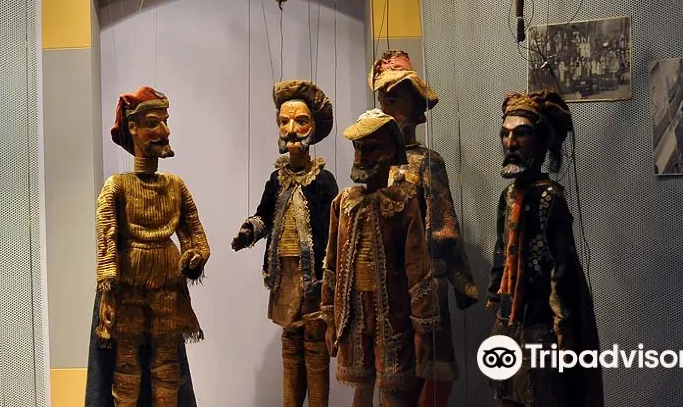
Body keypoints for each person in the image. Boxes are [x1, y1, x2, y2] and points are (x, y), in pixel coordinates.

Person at [87, 86, 210, 407]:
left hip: (168, 285)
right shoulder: (117, 186)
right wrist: (108, 288)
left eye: (165, 122)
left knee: (167, 364)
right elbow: (106, 238)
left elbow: (195, 236)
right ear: (133, 128)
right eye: (154, 123)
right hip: (129, 285)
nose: (164, 131)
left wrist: (195, 257)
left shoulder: (175, 186)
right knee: (126, 364)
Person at [370, 50, 478, 407]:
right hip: (387, 283)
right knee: (393, 367)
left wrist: (458, 281)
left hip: (424, 281)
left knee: (432, 363)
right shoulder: (376, 164)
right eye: (384, 98)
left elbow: (443, 225)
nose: (388, 105)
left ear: (415, 106)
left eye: (396, 97)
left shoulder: (428, 161)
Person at [486, 91, 603, 407]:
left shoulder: (550, 197)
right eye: (505, 134)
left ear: (540, 140)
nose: (511, 143)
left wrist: (563, 327)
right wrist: (496, 298)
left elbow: (561, 266)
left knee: (544, 394)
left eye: (521, 134)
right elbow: (501, 249)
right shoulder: (508, 196)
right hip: (511, 320)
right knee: (507, 395)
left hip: (543, 323)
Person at [321, 109, 441, 407]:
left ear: (391, 152)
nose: (362, 156)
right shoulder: (343, 203)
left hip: (393, 317)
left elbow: (418, 268)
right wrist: (330, 318)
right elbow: (331, 264)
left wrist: (423, 327)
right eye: (358, 148)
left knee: (394, 393)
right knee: (361, 390)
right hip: (353, 317)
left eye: (372, 147)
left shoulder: (403, 201)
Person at [232, 80, 339, 407]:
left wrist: (332, 274)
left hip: (315, 278)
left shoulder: (323, 181)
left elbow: (334, 231)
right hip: (284, 276)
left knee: (315, 347)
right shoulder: (276, 179)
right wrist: (249, 231)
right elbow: (264, 215)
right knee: (290, 345)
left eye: (300, 121)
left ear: (313, 127)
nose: (291, 130)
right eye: (284, 121)